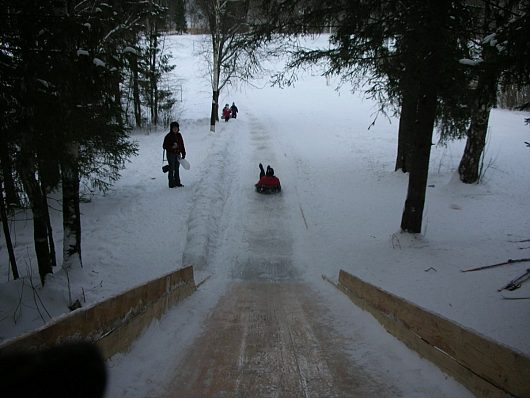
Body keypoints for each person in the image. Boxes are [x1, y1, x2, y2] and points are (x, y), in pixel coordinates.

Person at [163, 121, 186, 188]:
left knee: (177, 168)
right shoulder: (168, 136)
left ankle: (177, 182)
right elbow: (164, 146)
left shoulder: (179, 135)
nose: (175, 129)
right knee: (171, 168)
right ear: (171, 128)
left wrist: (183, 153)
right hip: (171, 154)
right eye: (174, 128)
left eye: (176, 128)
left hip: (178, 154)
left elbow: (182, 144)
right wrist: (172, 147)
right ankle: (171, 183)